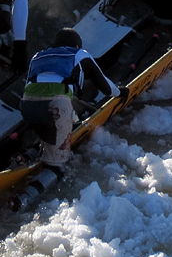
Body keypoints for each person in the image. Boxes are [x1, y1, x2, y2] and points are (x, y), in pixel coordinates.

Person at [20, 28, 128, 170]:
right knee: (56, 162)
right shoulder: (80, 54)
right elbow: (106, 88)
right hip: (56, 106)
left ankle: (31, 152)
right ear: (77, 45)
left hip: (27, 108)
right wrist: (120, 92)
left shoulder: (37, 56)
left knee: (50, 124)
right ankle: (53, 168)